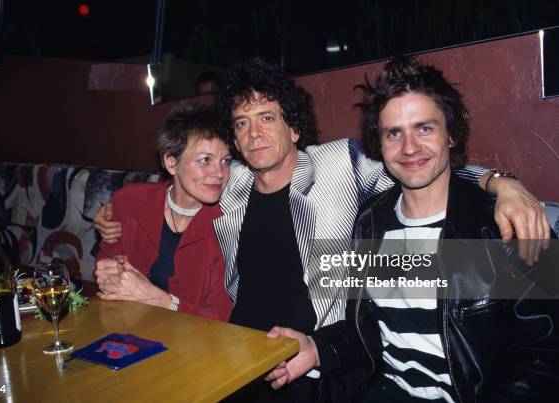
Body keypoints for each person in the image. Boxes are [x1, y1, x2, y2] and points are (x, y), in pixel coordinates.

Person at [95, 58, 550, 401]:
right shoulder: (229, 185)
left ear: (294, 128)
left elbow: (417, 167)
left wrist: (500, 182)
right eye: (242, 124)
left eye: (267, 117)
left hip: (318, 363)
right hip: (238, 352)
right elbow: (178, 185)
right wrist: (112, 216)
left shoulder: (340, 167)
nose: (254, 134)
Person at [266, 56, 558, 402]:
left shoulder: (505, 224)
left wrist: (501, 183)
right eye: (394, 133)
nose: (409, 148)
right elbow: (369, 330)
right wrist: (316, 348)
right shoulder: (371, 221)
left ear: (451, 134)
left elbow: (545, 361)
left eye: (424, 128)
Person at [94, 102, 233, 321]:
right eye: (205, 160)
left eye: (225, 161)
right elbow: (106, 264)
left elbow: (221, 316)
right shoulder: (129, 201)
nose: (220, 173)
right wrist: (107, 274)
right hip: (126, 330)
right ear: (171, 163)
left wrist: (160, 300)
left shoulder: (229, 222)